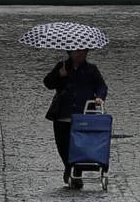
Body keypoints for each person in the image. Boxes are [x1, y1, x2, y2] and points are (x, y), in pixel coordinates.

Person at [43, 49, 108, 188]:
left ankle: (75, 171)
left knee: (80, 145)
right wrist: (60, 75)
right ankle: (69, 167)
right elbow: (48, 83)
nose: (80, 54)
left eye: (83, 52)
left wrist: (99, 97)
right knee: (62, 145)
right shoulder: (62, 66)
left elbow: (101, 86)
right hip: (62, 114)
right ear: (70, 52)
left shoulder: (91, 70)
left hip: (83, 115)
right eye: (77, 52)